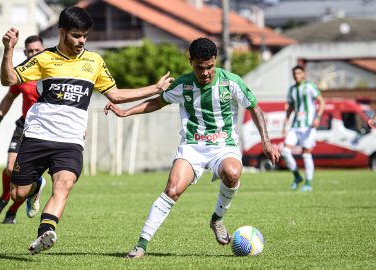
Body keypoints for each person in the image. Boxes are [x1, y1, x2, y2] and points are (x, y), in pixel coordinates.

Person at [0, 6, 174, 255]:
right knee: (18, 192)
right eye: (76, 35)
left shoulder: (94, 62)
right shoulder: (44, 59)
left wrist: (155, 88)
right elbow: (9, 79)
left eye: (85, 36)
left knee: (64, 184)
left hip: (70, 140)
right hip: (38, 134)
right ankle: (35, 187)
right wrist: (8, 50)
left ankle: (45, 232)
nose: (81, 41)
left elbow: (115, 95)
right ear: (62, 33)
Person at [104, 37, 280, 259]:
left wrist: (266, 141)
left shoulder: (232, 82)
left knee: (233, 173)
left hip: (223, 146)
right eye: (199, 67)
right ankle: (141, 245)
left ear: (215, 60)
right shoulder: (184, 84)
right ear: (190, 62)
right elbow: (158, 102)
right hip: (192, 147)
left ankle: (217, 219)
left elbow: (255, 108)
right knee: (172, 190)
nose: (205, 72)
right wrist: (126, 112)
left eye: (209, 67)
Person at [0, 35, 45, 224]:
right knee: (11, 168)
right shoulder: (22, 73)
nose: (33, 54)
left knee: (24, 183)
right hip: (24, 125)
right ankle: (5, 198)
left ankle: (12, 211)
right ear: (25, 52)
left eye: (37, 50)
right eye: (29, 51)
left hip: (46, 128)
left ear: (44, 50)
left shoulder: (53, 72)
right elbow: (9, 97)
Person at [281, 65, 325, 192]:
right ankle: (296, 176)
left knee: (306, 153)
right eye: (294, 73)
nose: (296, 75)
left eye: (299, 73)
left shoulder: (310, 86)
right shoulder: (292, 90)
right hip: (295, 126)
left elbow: (322, 102)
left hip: (308, 126)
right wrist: (285, 125)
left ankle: (308, 183)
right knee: (285, 151)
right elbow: (290, 108)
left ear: (304, 74)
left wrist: (318, 117)